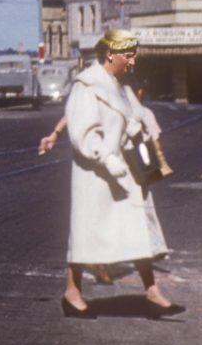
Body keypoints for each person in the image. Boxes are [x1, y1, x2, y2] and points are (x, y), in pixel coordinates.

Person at [58, 28, 182, 319]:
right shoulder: (86, 86)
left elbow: (134, 118)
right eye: (128, 56)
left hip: (126, 172)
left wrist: (139, 129)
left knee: (138, 228)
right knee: (88, 233)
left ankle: (152, 290)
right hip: (97, 175)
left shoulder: (122, 89)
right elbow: (82, 134)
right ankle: (72, 292)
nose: (132, 63)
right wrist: (108, 159)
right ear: (110, 54)